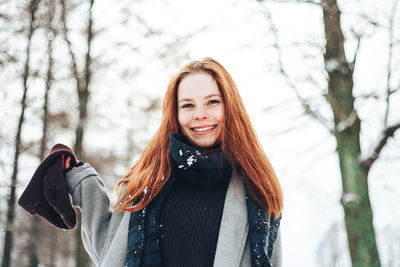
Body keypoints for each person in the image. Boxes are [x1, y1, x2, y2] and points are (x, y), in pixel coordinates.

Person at [63, 57, 283, 267]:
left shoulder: (256, 190)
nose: (200, 114)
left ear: (230, 107)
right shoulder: (147, 182)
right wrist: (83, 182)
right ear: (174, 113)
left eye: (212, 102)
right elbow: (113, 254)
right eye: (188, 105)